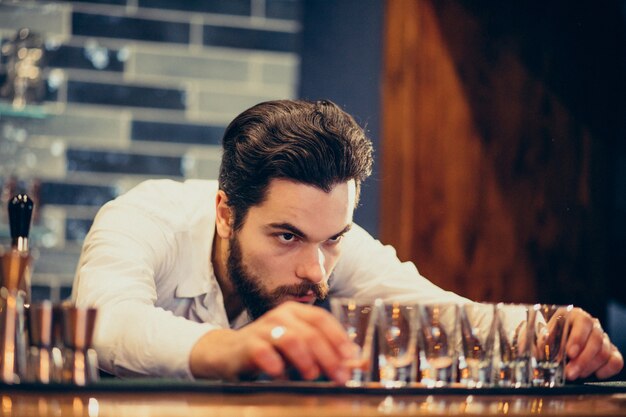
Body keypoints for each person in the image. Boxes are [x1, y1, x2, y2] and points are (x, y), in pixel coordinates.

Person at [72, 99, 623, 383]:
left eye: (333, 237)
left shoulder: (326, 245)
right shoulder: (143, 219)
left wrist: (547, 331)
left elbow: (444, 316)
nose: (316, 271)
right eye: (286, 235)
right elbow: (102, 324)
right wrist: (230, 347)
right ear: (225, 213)